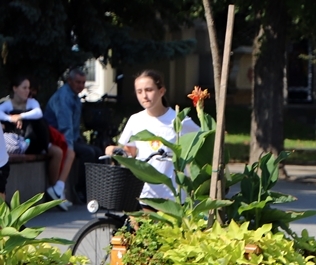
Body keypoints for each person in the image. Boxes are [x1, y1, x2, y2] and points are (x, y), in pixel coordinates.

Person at [105, 70, 199, 199]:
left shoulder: (178, 120)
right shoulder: (135, 120)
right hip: (143, 193)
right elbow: (129, 151)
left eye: (149, 90)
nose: (144, 96)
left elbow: (202, 140)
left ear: (161, 91)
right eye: (139, 91)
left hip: (172, 195)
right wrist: (115, 150)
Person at [0, 76, 73, 209]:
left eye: (29, 88)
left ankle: (55, 189)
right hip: (17, 142)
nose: (27, 91)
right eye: (24, 88)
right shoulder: (6, 105)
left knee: (57, 152)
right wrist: (11, 118)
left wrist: (20, 116)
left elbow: (38, 113)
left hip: (36, 141)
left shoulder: (32, 103)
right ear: (15, 89)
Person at [44, 68, 102, 204]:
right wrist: (69, 147)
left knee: (98, 152)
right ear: (69, 81)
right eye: (77, 82)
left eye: (83, 83)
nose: (80, 86)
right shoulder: (64, 97)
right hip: (57, 137)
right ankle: (81, 191)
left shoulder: (74, 96)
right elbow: (65, 127)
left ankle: (95, 192)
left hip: (69, 137)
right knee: (88, 153)